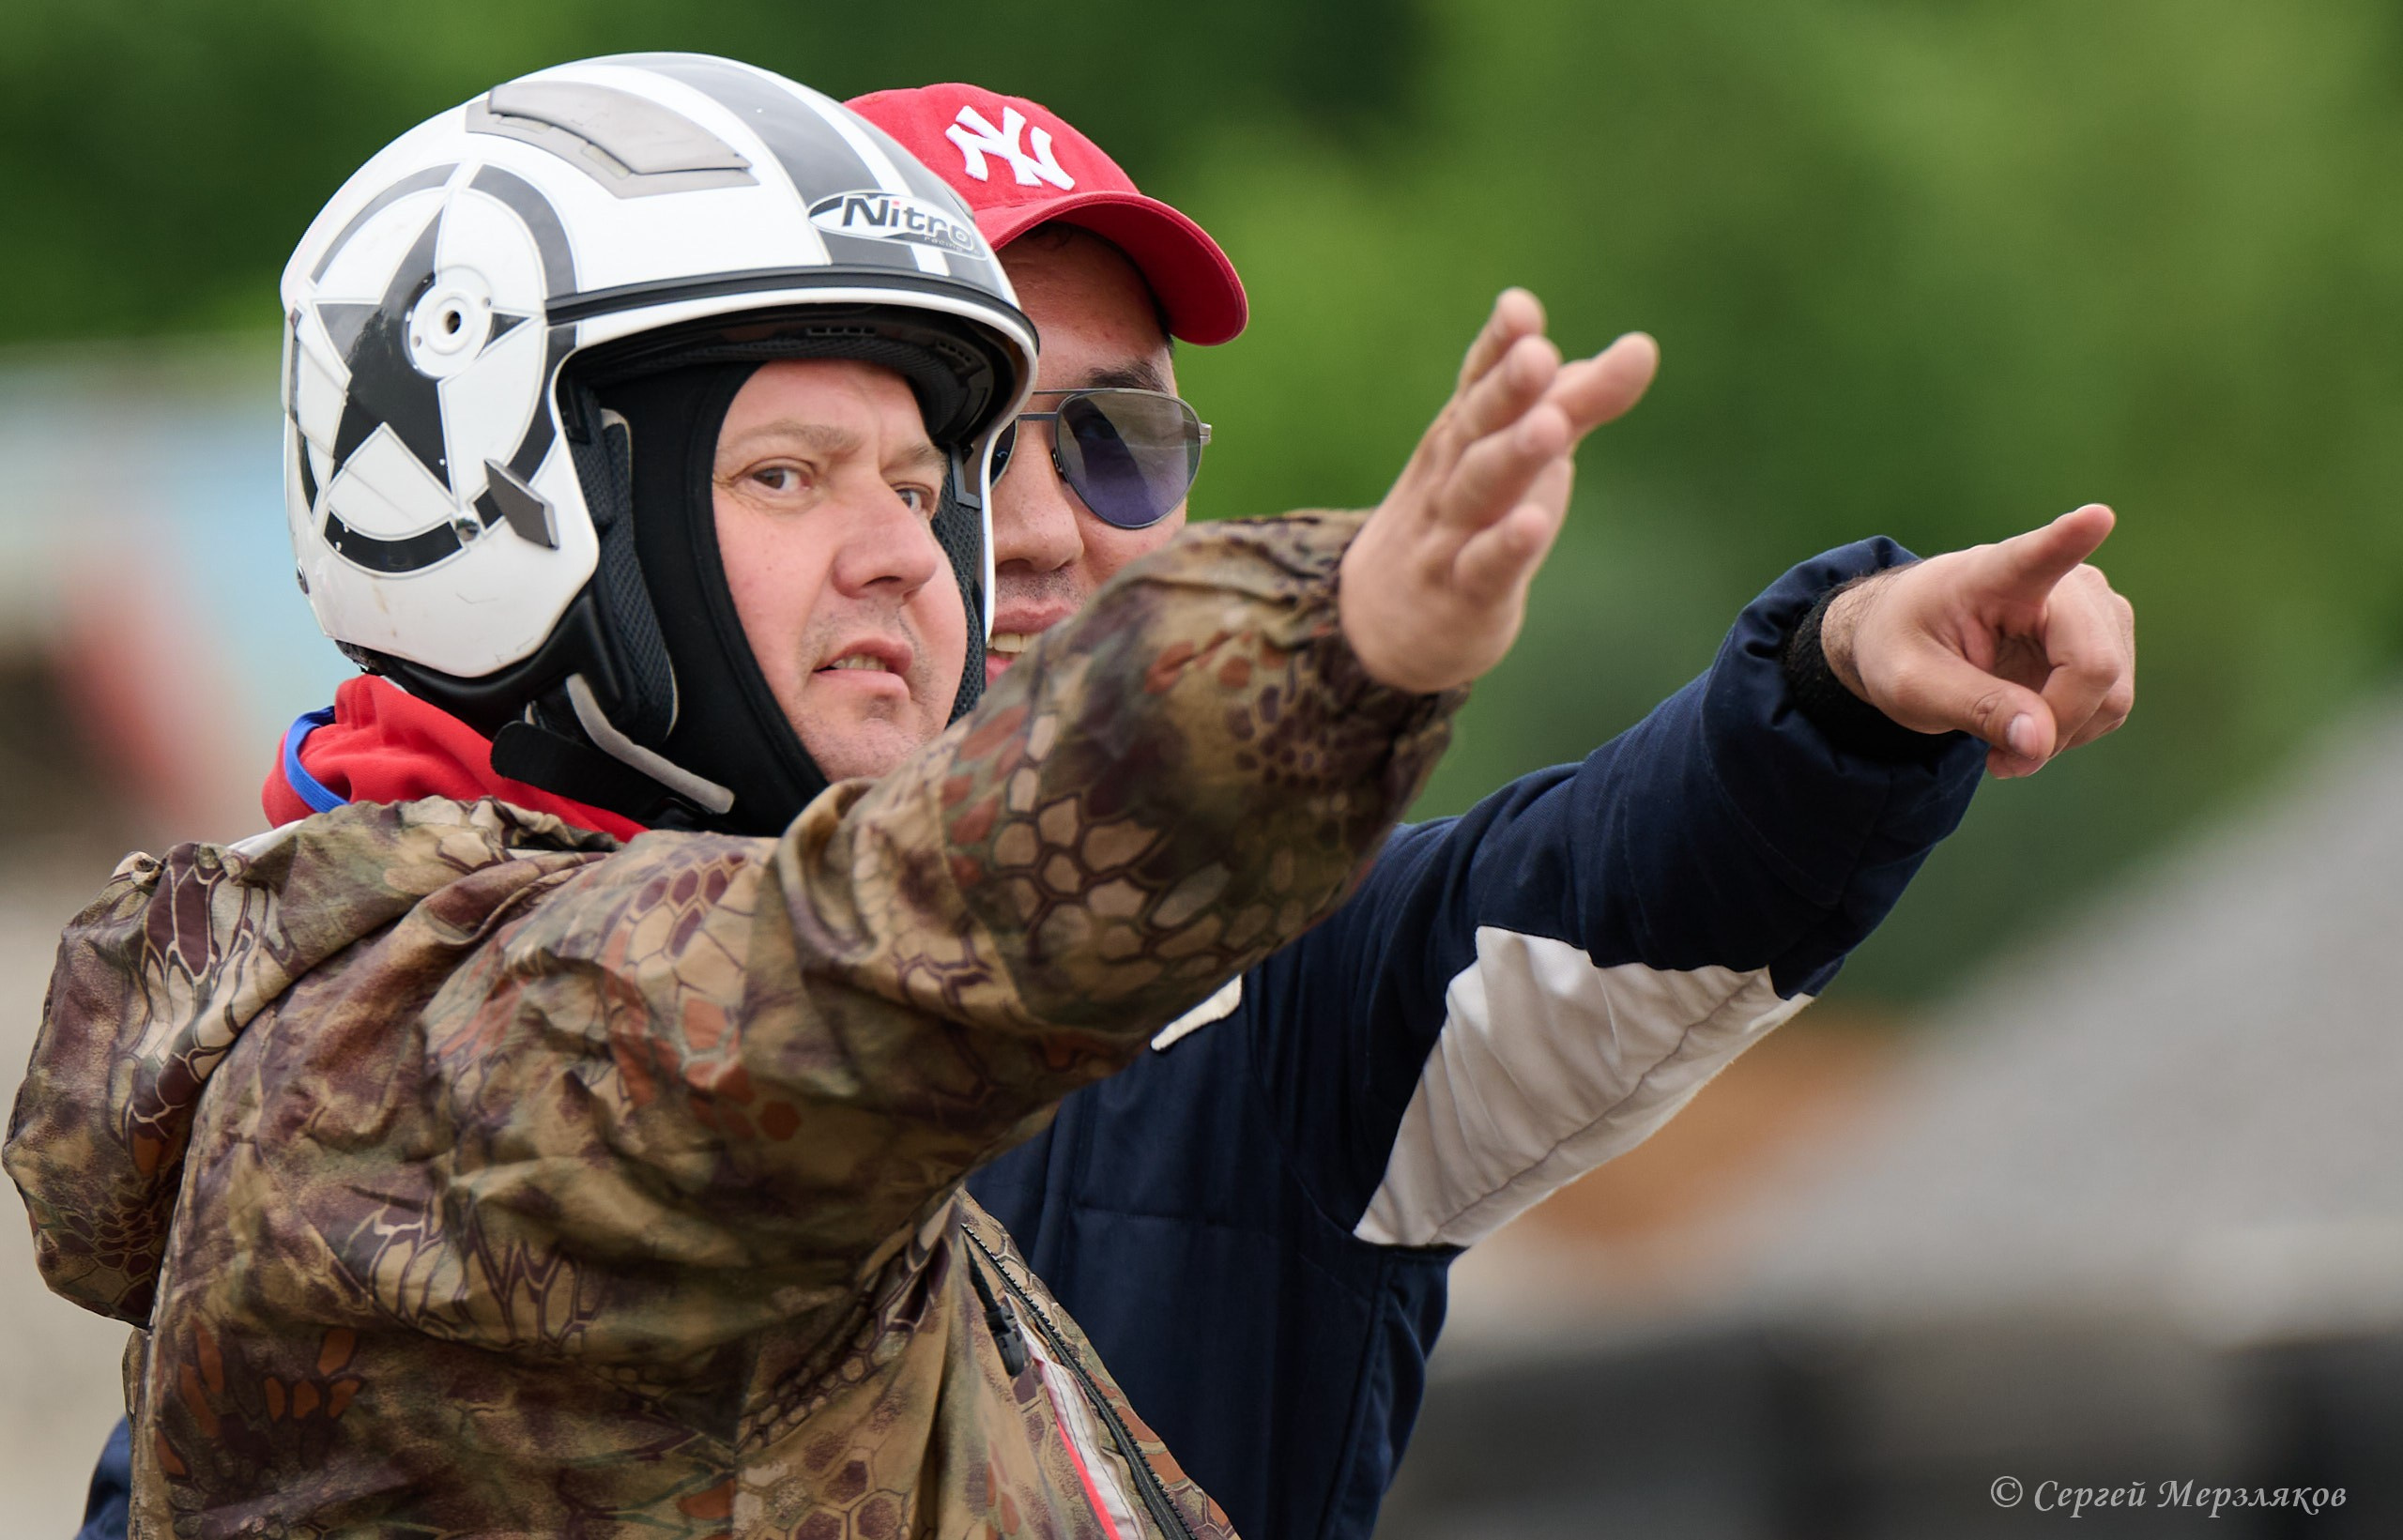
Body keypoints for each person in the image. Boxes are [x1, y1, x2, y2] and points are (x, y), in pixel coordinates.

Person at [8, 54, 1656, 1538]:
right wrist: (1335, 645)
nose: (909, 551)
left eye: (916, 482)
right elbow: (855, 960)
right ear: (506, 513)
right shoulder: (412, 1060)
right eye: (786, 475)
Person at [834, 84, 2141, 1540]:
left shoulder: (1288, 988)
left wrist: (1840, 688)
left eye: (1117, 438)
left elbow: (1618, 889)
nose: (1039, 526)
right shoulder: (557, 944)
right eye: (960, 438)